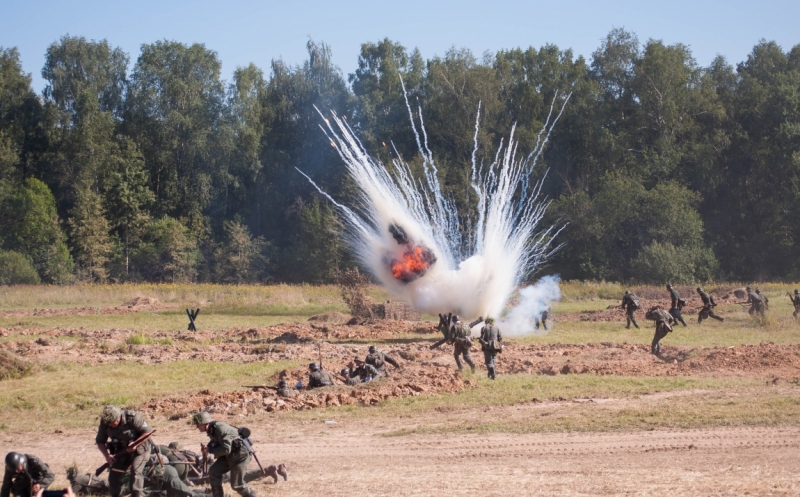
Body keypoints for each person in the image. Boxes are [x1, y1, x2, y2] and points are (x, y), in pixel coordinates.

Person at [193, 412, 259, 497]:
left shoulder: (220, 428)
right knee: (214, 471)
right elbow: (216, 442)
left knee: (237, 485)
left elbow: (226, 449)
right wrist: (208, 447)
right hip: (230, 454)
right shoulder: (212, 429)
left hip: (240, 455)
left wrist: (210, 450)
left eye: (198, 424)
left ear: (205, 423)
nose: (197, 427)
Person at [95, 405, 154, 497]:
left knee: (136, 473)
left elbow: (148, 432)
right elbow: (100, 441)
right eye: (108, 423)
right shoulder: (105, 422)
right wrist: (107, 456)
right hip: (121, 452)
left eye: (112, 422)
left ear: (118, 418)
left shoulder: (133, 418)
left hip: (140, 450)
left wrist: (136, 443)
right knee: (114, 475)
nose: (109, 425)